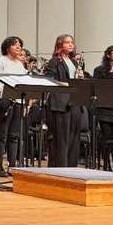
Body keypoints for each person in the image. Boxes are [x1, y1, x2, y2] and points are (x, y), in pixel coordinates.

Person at [0, 36, 27, 176]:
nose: (19, 47)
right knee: (2, 135)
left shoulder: (20, 64)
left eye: (20, 45)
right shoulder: (0, 61)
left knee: (14, 135)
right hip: (3, 101)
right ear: (7, 47)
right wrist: (7, 92)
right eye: (15, 45)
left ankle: (12, 165)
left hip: (17, 102)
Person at [44, 34, 83, 168]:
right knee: (61, 138)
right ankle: (60, 167)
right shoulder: (54, 61)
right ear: (60, 45)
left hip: (74, 101)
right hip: (60, 102)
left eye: (72, 42)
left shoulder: (74, 61)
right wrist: (65, 84)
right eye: (67, 42)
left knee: (73, 137)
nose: (71, 45)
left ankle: (71, 167)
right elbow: (48, 79)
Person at [92, 45, 113, 171]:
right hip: (105, 110)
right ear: (108, 55)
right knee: (107, 139)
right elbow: (95, 88)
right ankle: (107, 166)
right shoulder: (99, 70)